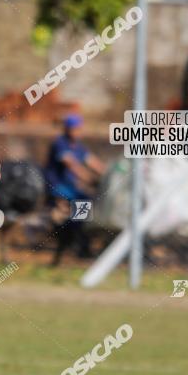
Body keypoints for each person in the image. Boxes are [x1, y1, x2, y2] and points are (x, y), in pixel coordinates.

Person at [43, 114, 105, 265]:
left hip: (71, 188)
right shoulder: (60, 144)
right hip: (57, 187)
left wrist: (108, 174)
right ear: (67, 129)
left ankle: (76, 238)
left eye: (78, 129)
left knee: (84, 205)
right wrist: (89, 179)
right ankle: (70, 239)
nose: (76, 132)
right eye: (74, 129)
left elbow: (93, 162)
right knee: (69, 213)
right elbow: (72, 165)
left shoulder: (78, 146)